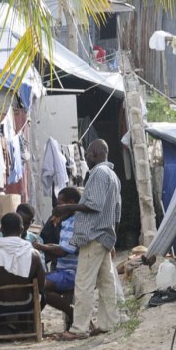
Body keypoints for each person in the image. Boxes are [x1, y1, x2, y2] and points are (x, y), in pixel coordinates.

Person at [55, 139, 125, 336]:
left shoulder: (99, 174)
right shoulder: (112, 175)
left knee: (84, 282)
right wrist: (113, 238)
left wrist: (66, 208)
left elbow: (93, 205)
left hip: (93, 236)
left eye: (87, 155)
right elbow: (116, 211)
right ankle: (108, 324)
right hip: (104, 235)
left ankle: (79, 328)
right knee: (106, 283)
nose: (86, 158)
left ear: (94, 154)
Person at [0, 213, 46, 336]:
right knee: (42, 295)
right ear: (22, 229)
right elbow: (41, 285)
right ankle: (27, 327)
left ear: (1, 230)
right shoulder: (33, 254)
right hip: (27, 303)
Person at [39, 187, 81, 328]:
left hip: (71, 272)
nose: (56, 207)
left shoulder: (77, 222)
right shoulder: (66, 221)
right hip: (62, 270)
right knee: (34, 281)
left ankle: (72, 313)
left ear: (70, 203)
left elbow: (64, 250)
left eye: (59, 203)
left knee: (40, 285)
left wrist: (41, 247)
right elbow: (59, 245)